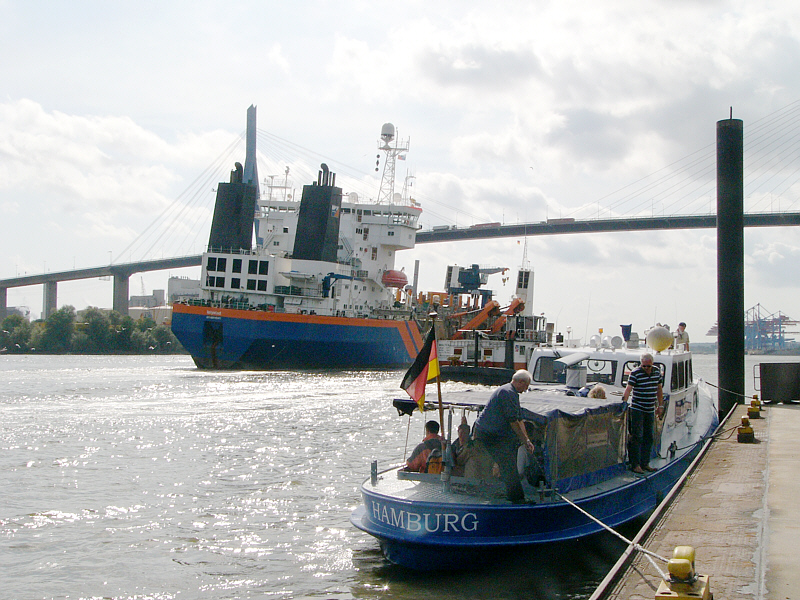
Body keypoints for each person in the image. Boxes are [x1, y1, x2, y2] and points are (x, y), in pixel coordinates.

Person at [473, 369, 535, 502]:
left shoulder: (513, 394)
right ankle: (516, 498)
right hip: (487, 433)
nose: (525, 390)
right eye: (525, 386)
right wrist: (524, 441)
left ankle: (512, 494)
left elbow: (519, 419)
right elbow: (512, 421)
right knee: (508, 464)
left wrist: (527, 440)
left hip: (497, 434)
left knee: (508, 461)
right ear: (520, 382)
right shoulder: (506, 392)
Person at [621, 353, 664, 474]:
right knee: (636, 436)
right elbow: (629, 389)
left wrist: (660, 405)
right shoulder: (635, 373)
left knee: (648, 437)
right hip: (637, 408)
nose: (646, 368)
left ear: (652, 364)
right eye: (644, 366)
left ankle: (645, 463)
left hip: (650, 408)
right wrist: (624, 401)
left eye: (648, 366)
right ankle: (635, 464)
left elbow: (659, 389)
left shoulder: (656, 372)